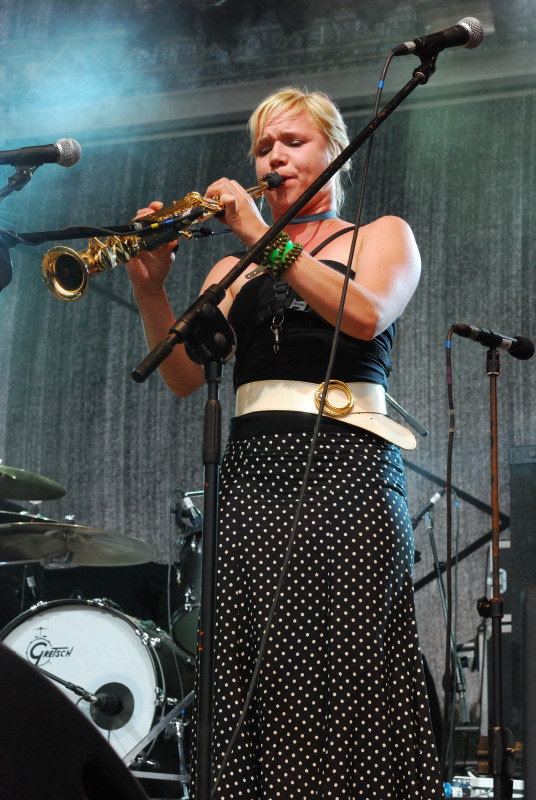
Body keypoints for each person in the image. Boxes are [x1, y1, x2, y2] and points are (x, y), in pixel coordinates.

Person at [126, 87, 444, 799]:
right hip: (252, 480)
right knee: (256, 668)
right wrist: (153, 290)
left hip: (351, 474)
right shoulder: (230, 271)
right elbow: (182, 377)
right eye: (264, 147)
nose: (273, 158)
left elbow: (364, 314)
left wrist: (263, 240)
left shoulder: (381, 234)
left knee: (352, 660)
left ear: (334, 152)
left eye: (292, 143)